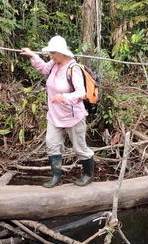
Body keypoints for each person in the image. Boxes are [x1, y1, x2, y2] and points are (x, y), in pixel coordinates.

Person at [20, 36, 95, 188]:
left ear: (62, 53)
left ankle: (88, 174)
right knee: (52, 144)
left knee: (80, 148)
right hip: (54, 115)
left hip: (73, 116)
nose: (51, 56)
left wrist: (64, 97)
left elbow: (81, 93)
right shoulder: (54, 63)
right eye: (51, 53)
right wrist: (32, 55)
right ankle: (56, 176)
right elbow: (43, 68)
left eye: (53, 53)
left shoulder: (73, 69)